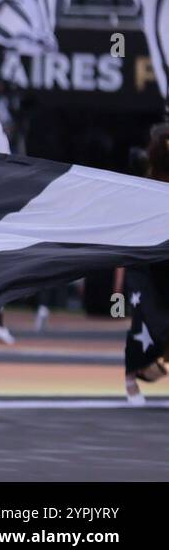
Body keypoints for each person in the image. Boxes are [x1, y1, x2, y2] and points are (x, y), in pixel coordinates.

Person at [125, 123, 169, 406]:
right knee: (147, 318)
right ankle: (130, 377)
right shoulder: (145, 183)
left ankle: (153, 368)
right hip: (148, 263)